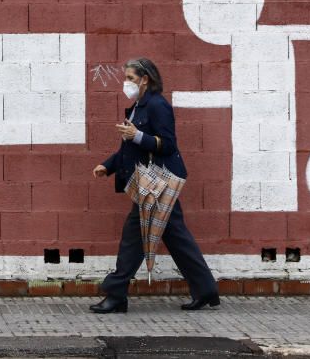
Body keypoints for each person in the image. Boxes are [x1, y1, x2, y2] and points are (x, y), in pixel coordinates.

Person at [89, 57, 220, 314]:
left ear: (145, 79)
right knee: (177, 238)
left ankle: (116, 294)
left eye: (131, 78)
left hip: (158, 184)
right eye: (126, 78)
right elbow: (129, 148)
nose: (127, 83)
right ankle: (205, 289)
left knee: (133, 237)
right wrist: (108, 165)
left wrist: (137, 136)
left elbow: (168, 144)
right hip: (152, 184)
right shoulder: (139, 105)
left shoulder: (158, 105)